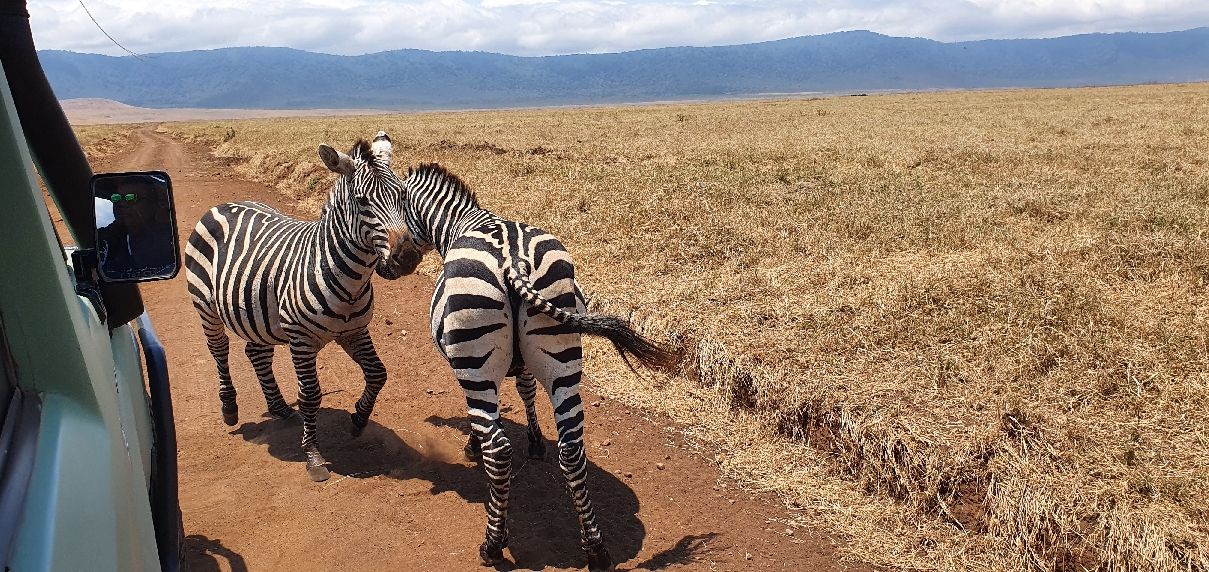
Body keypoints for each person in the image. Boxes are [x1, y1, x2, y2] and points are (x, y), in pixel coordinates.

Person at [95, 178, 176, 280]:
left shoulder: (169, 240)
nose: (121, 204)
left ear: (153, 206)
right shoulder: (106, 238)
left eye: (132, 198)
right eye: (116, 198)